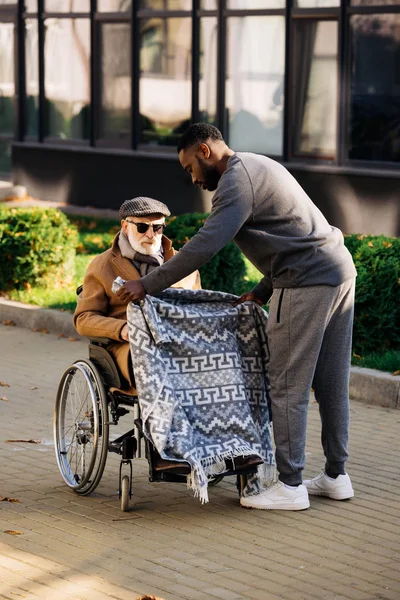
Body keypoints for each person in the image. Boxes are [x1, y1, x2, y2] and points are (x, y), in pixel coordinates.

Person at [116, 123, 357, 511]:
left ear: (205, 151)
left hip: (307, 282)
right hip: (337, 270)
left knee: (285, 385)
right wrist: (261, 292)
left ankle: (291, 485)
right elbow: (294, 234)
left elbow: (208, 242)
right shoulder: (259, 166)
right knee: (331, 382)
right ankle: (335, 476)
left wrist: (148, 285)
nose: (192, 177)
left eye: (189, 166)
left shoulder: (235, 180)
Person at [73, 196, 201, 472]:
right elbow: (84, 318)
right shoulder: (102, 265)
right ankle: (164, 449)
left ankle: (231, 449)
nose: (151, 234)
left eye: (158, 228)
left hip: (176, 345)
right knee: (151, 358)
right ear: (125, 226)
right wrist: (122, 330)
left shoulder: (181, 264)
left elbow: (197, 309)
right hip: (127, 348)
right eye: (143, 227)